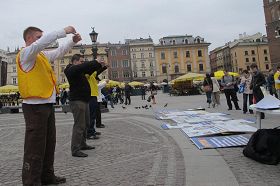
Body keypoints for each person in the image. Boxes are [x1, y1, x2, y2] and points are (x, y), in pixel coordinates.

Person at [16, 26, 79, 185]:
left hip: (46, 104)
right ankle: (31, 181)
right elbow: (41, 44)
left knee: (49, 144)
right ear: (29, 39)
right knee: (34, 147)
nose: (41, 40)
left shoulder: (41, 55)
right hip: (34, 107)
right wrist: (63, 31)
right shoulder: (25, 54)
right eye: (38, 37)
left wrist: (71, 41)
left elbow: (58, 52)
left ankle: (47, 176)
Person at [64, 54, 103, 158]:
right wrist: (95, 61)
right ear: (74, 61)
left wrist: (100, 65)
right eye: (81, 61)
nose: (82, 63)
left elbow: (90, 71)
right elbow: (84, 67)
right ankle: (75, 149)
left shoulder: (78, 70)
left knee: (86, 123)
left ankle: (82, 144)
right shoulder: (70, 70)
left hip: (84, 100)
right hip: (77, 101)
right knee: (79, 125)